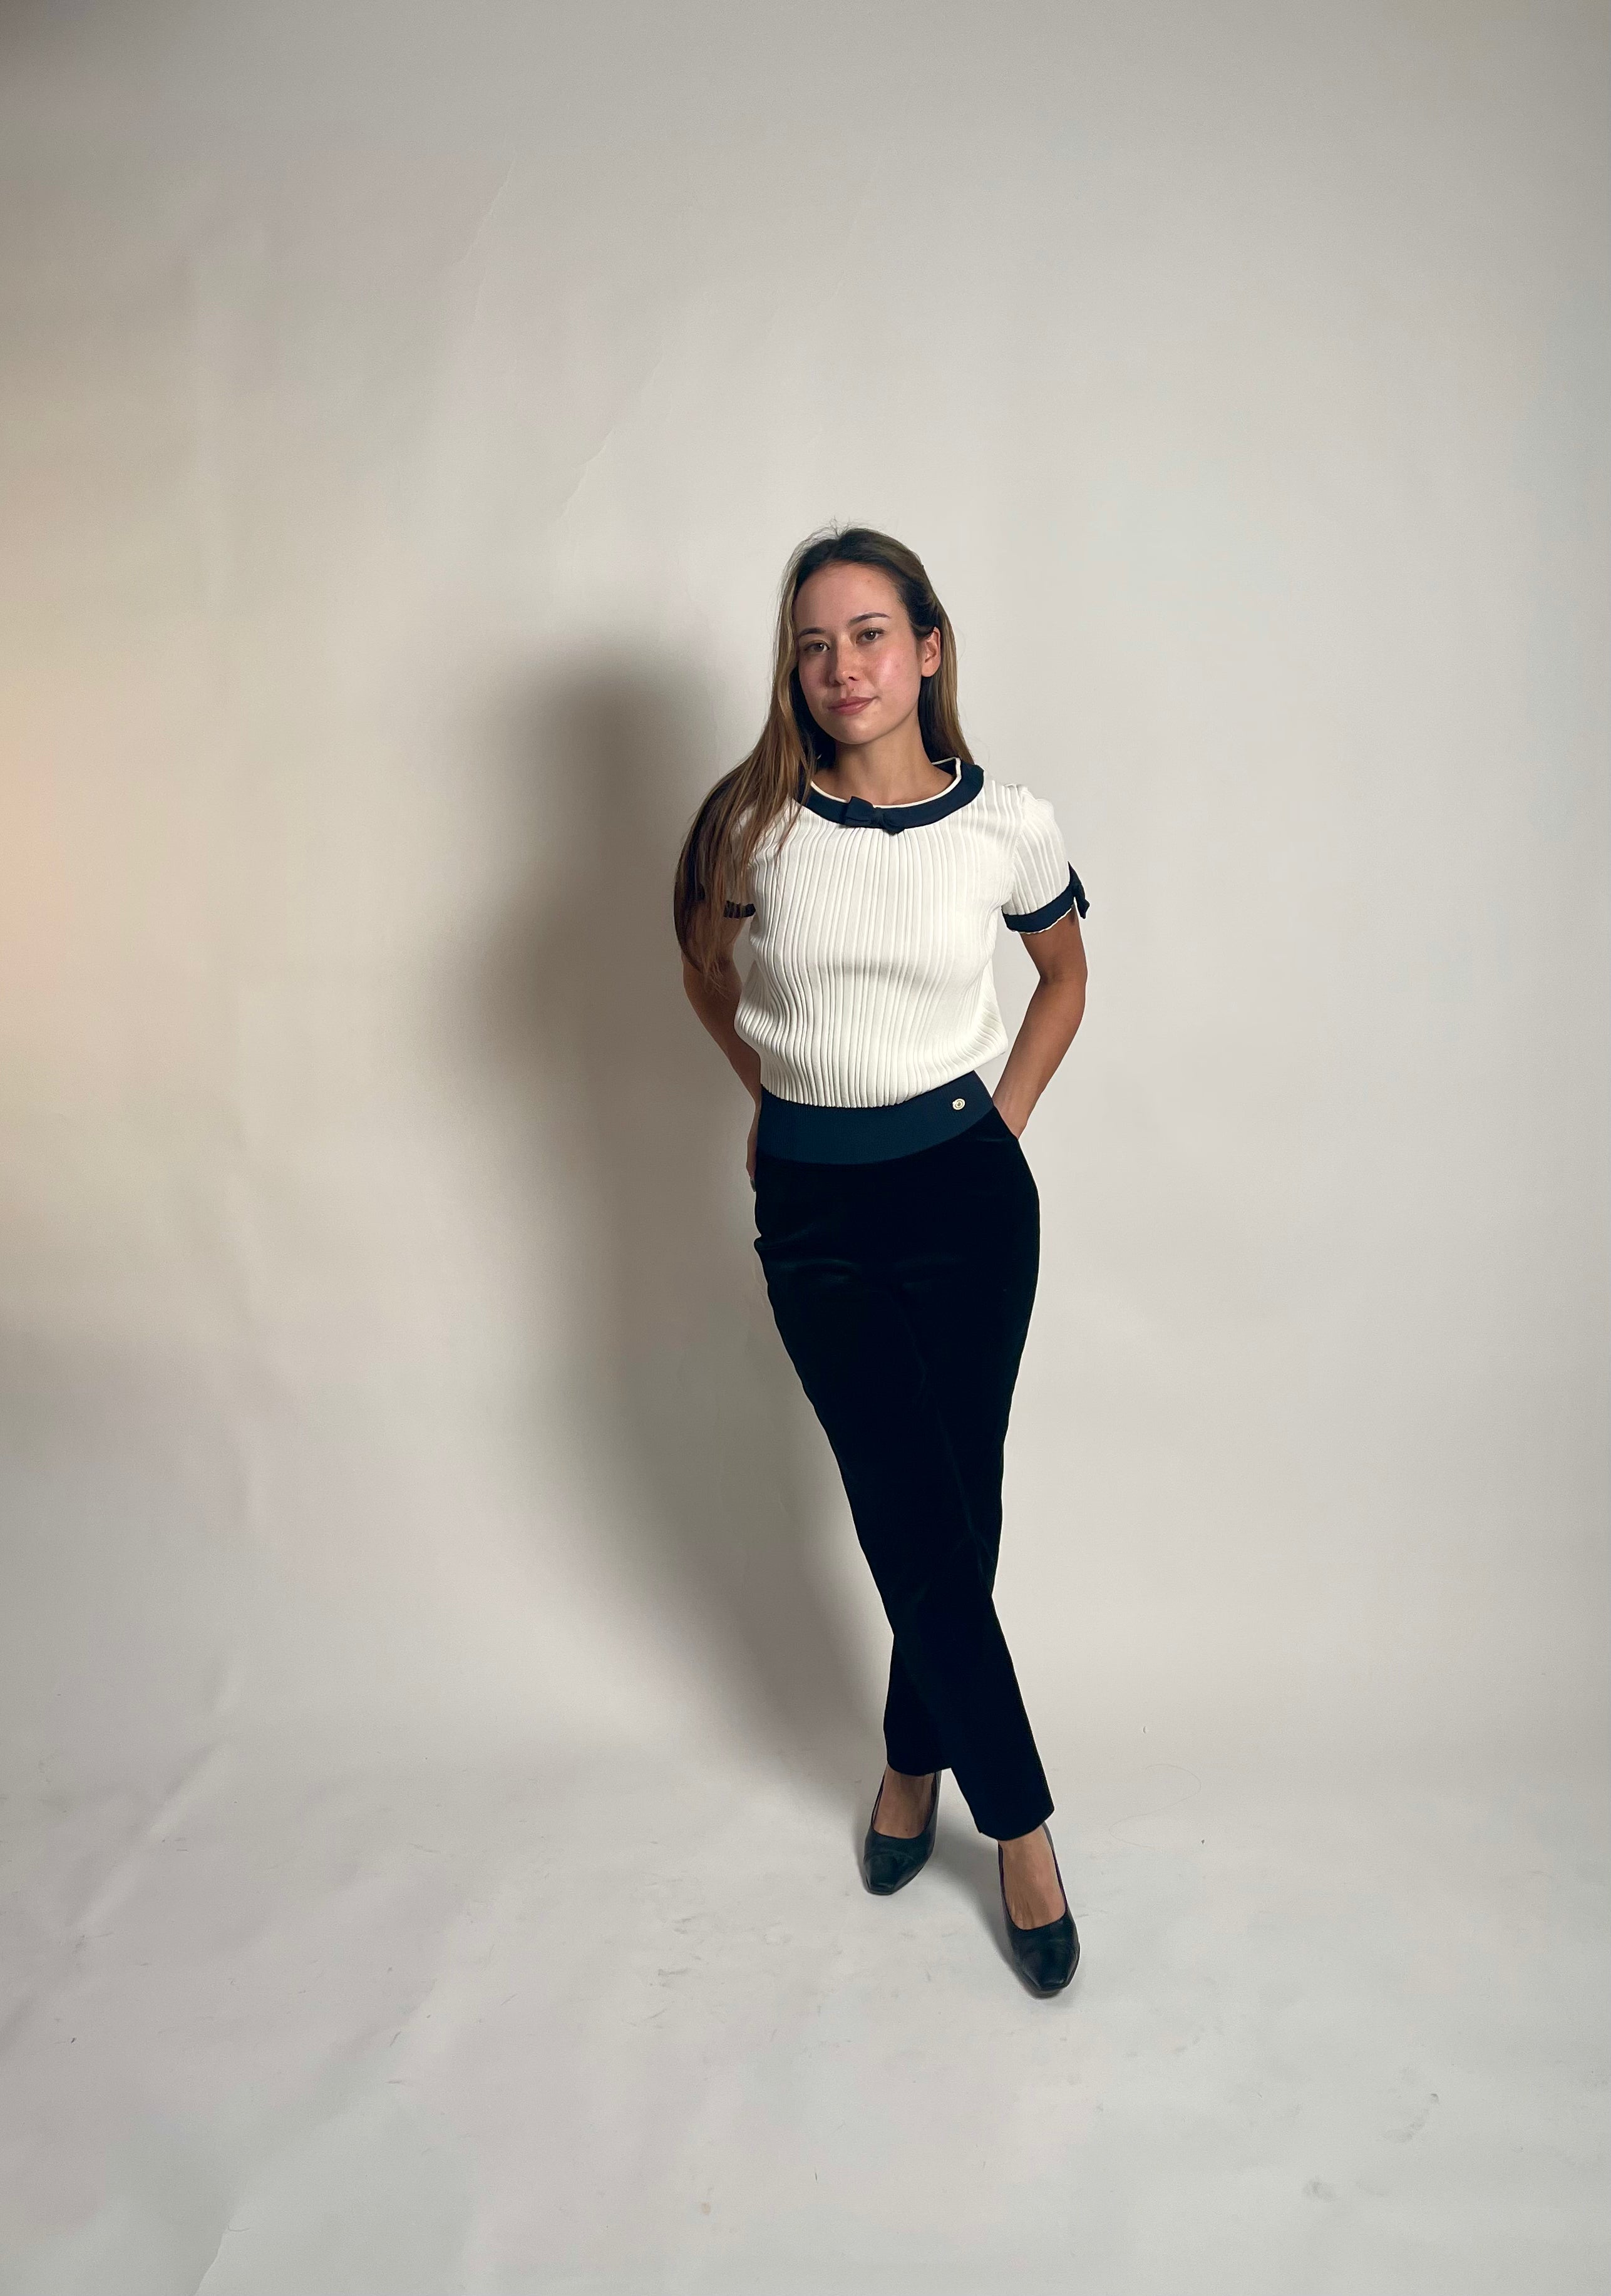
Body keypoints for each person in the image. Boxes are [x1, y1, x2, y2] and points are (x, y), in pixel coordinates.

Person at [674, 527, 1089, 1994]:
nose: (840, 666)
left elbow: (1064, 975)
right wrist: (771, 1094)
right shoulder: (754, 825)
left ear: (927, 648)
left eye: (867, 634)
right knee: (906, 1504)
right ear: (792, 670)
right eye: (812, 644)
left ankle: (914, 1762)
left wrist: (1001, 1126)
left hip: (970, 1203)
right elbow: (703, 970)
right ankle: (1022, 1828)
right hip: (817, 1213)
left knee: (955, 1510)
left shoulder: (1007, 826)